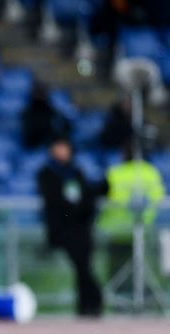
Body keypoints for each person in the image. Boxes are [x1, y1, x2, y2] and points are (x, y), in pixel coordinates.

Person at [37, 138, 106, 316]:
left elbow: (85, 197)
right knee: (81, 268)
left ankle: (89, 305)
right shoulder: (47, 173)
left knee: (83, 268)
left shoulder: (76, 172)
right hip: (63, 228)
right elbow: (56, 202)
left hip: (80, 227)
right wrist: (72, 209)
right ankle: (91, 303)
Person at [98, 143, 165, 283]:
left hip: (117, 230)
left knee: (117, 270)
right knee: (144, 270)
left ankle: (118, 301)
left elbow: (105, 198)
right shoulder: (150, 172)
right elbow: (159, 199)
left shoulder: (114, 172)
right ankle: (146, 297)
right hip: (144, 228)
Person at [21, 81, 71, 150]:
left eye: (42, 92)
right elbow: (29, 133)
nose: (39, 95)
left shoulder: (51, 109)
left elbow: (65, 126)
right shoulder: (27, 111)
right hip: (33, 146)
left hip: (49, 144)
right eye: (37, 92)